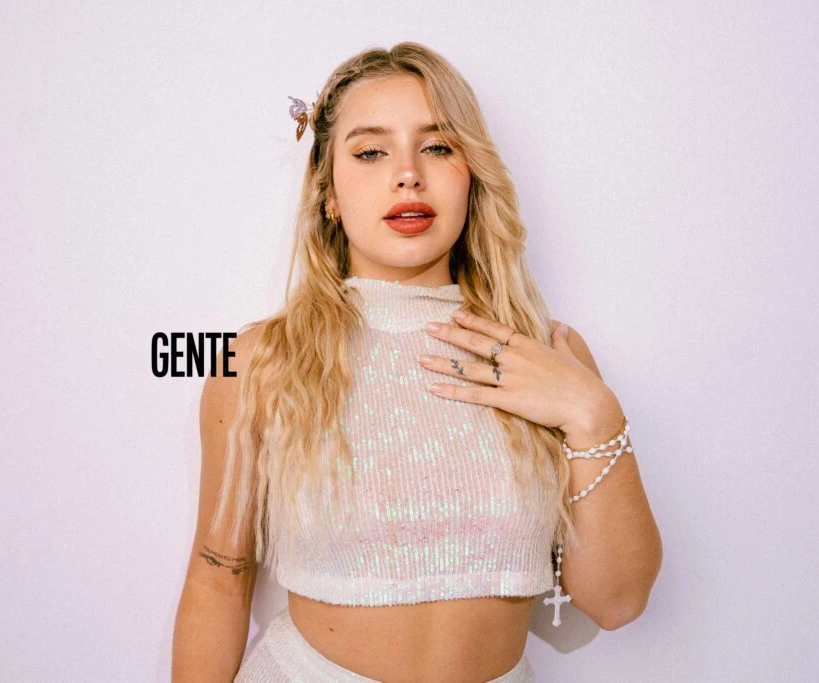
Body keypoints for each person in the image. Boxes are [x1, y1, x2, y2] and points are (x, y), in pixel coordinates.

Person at [172, 42, 663, 683]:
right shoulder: (261, 363)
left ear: (471, 175)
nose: (407, 174)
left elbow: (617, 601)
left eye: (436, 146)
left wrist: (593, 413)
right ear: (328, 192)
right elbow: (218, 581)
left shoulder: (545, 356)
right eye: (370, 152)